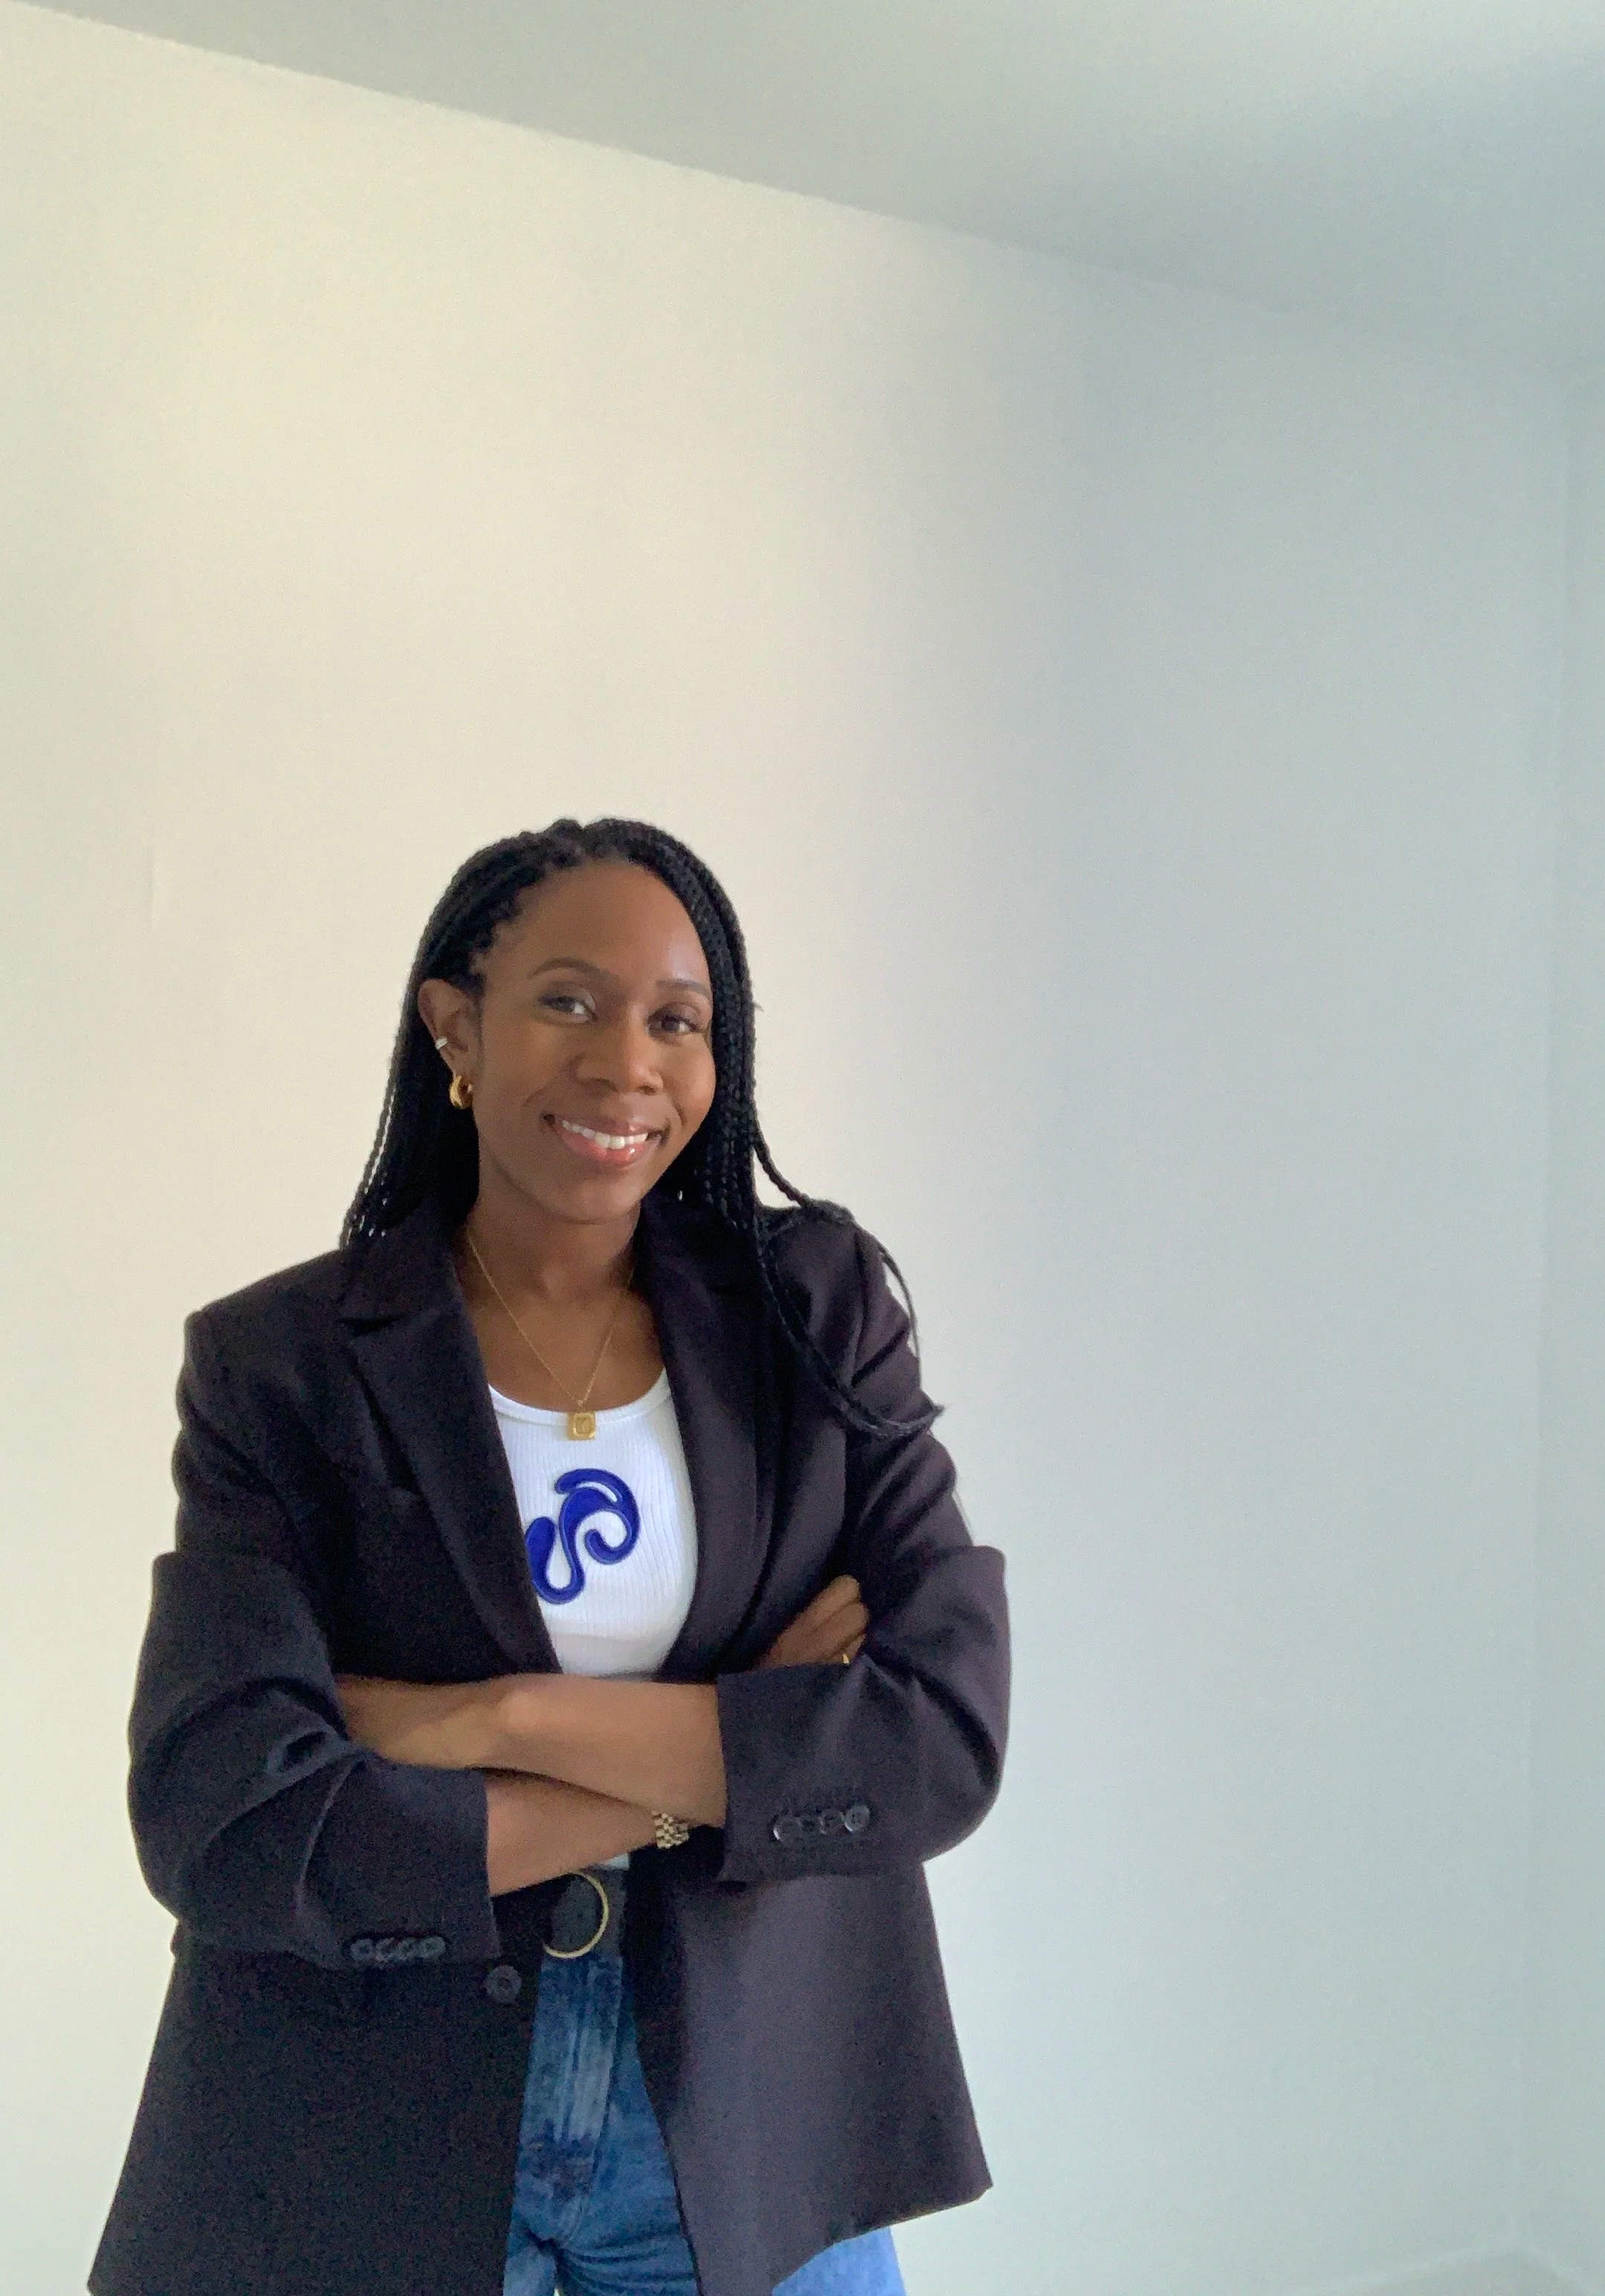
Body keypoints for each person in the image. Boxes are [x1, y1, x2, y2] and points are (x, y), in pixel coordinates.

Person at [91, 817, 1010, 2296]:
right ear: (456, 1023)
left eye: (676, 1018)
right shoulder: (282, 1364)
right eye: (568, 1001)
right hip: (373, 2115)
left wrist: (484, 1721)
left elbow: (937, 1740)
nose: (626, 1062)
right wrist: (718, 1757)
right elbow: (228, 1826)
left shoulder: (816, 1314)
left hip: (747, 2099)